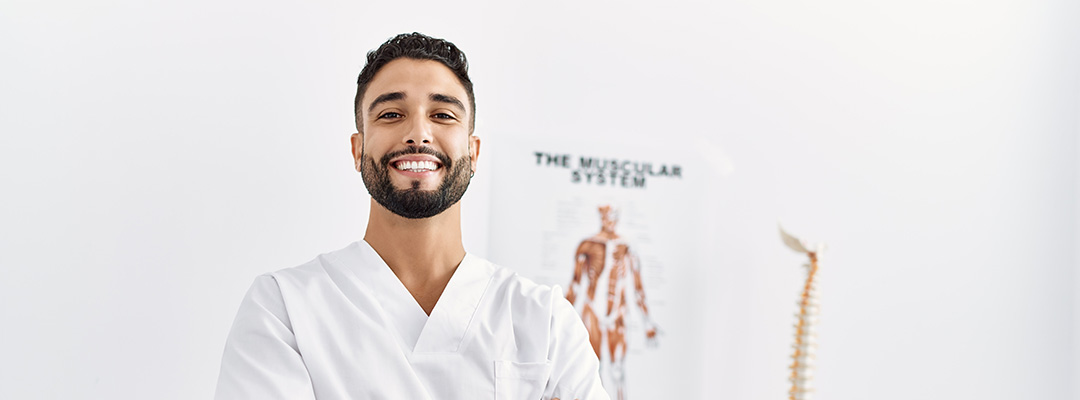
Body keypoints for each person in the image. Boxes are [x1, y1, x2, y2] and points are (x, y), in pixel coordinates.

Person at [214, 33, 607, 400]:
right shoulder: (284, 309)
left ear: (474, 152)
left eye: (443, 115)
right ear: (357, 149)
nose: (418, 133)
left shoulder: (545, 320)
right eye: (390, 114)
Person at [566, 205, 659, 400]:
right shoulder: (587, 245)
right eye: (607, 215)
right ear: (601, 216)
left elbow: (637, 286)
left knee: (617, 368)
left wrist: (648, 322)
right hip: (592, 310)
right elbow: (575, 285)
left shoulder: (626, 247)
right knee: (592, 367)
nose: (610, 220)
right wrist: (560, 321)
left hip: (617, 312)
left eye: (614, 216)